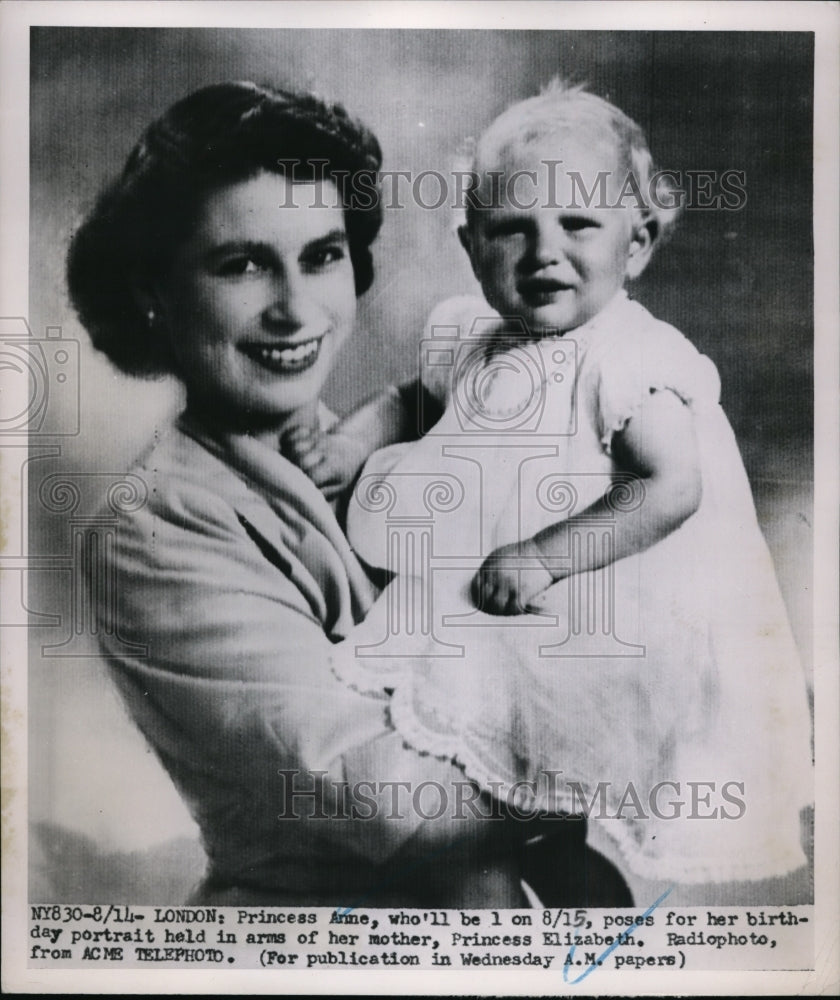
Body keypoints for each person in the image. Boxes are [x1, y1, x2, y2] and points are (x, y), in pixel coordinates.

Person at [67, 80, 632, 908]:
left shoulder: (410, 453)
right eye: (242, 264)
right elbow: (405, 807)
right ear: (156, 291)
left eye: (322, 256)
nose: (296, 311)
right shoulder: (151, 528)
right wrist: (598, 735)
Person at [331, 83, 814, 891]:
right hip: (488, 606)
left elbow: (671, 488)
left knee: (541, 802)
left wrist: (543, 558)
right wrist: (353, 442)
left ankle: (577, 913)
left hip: (575, 615)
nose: (543, 252)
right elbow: (415, 399)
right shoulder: (471, 334)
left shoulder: (629, 358)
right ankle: (512, 872)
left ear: (638, 242)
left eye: (578, 224)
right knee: (487, 802)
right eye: (511, 229)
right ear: (471, 245)